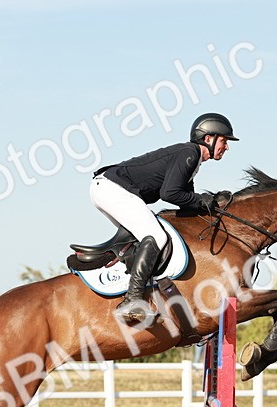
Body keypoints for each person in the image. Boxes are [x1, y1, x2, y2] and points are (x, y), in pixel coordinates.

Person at [90, 112, 237, 322]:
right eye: (224, 140)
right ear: (208, 139)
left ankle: (133, 293)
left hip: (107, 188)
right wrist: (204, 200)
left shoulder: (191, 160)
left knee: (142, 239)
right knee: (156, 237)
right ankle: (132, 300)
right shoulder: (189, 153)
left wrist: (211, 204)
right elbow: (170, 194)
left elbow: (185, 201)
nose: (227, 147)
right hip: (112, 189)